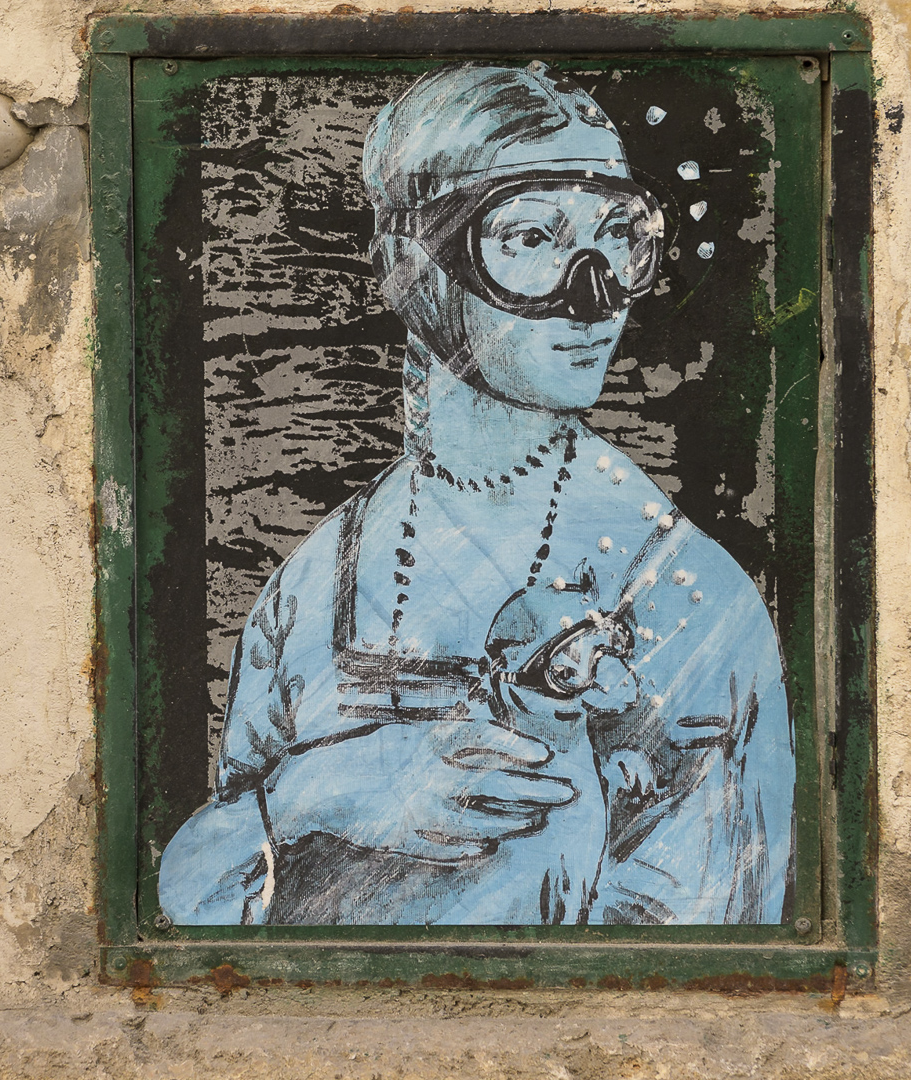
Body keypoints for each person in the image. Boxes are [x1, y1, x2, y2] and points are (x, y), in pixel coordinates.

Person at [158, 62, 792, 926]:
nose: (594, 296)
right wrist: (312, 793)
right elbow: (193, 914)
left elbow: (692, 956)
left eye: (617, 236)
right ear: (408, 266)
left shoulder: (689, 601)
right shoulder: (307, 593)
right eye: (531, 237)